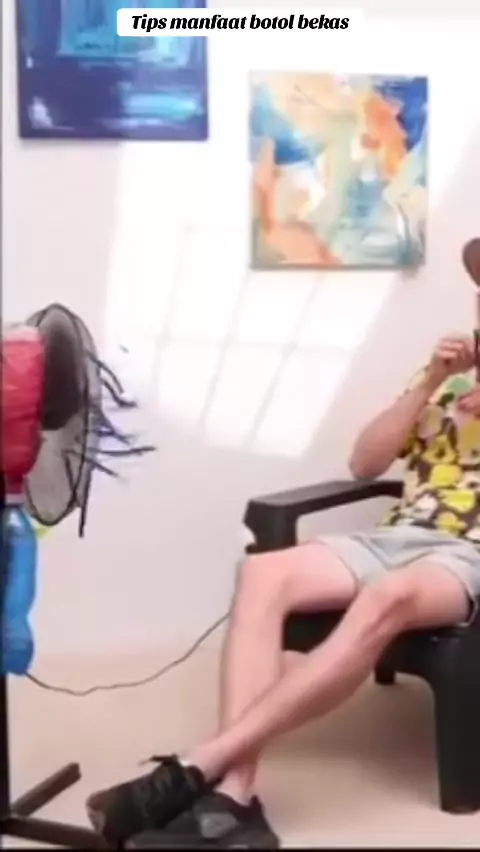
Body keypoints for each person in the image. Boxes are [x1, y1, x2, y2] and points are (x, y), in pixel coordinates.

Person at [86, 333, 480, 850]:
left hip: (468, 551)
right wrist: (430, 381)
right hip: (398, 535)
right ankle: (234, 794)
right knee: (262, 572)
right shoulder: (446, 379)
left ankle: (198, 765)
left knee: (389, 595)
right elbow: (365, 464)